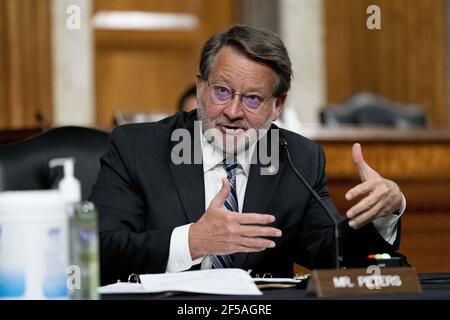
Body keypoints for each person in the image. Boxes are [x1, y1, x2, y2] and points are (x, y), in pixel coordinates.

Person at [91, 25, 405, 285]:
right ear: (201, 89)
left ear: (277, 105)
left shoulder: (297, 158)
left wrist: (384, 214)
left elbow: (333, 255)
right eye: (222, 91)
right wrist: (193, 241)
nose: (232, 111)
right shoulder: (138, 147)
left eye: (253, 99)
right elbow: (100, 250)